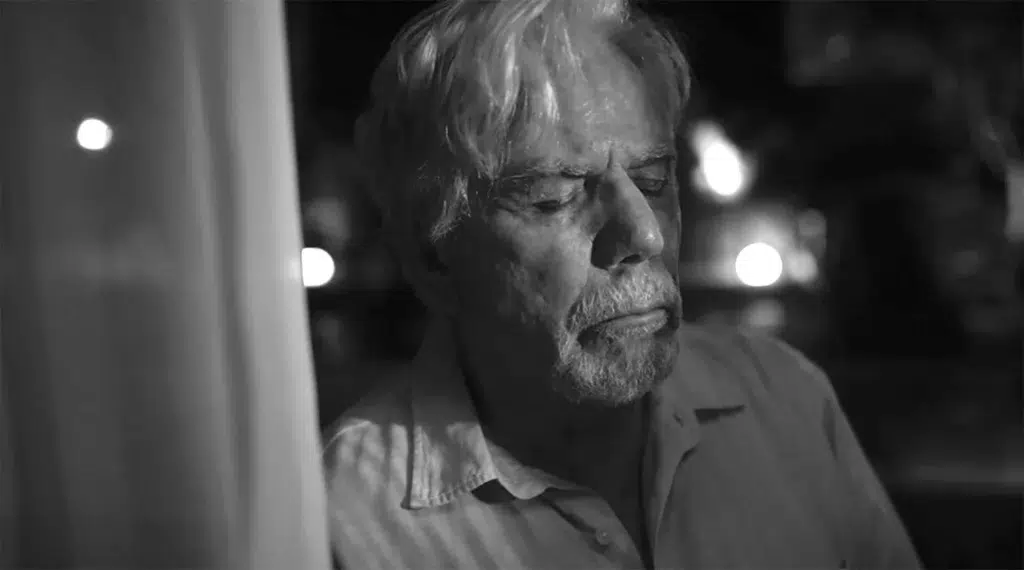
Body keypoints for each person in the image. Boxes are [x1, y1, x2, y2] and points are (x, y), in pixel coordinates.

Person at [322, 0, 921, 568]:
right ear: (433, 257)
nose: (644, 234)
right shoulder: (338, 517)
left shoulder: (782, 397)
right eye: (553, 198)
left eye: (653, 180)